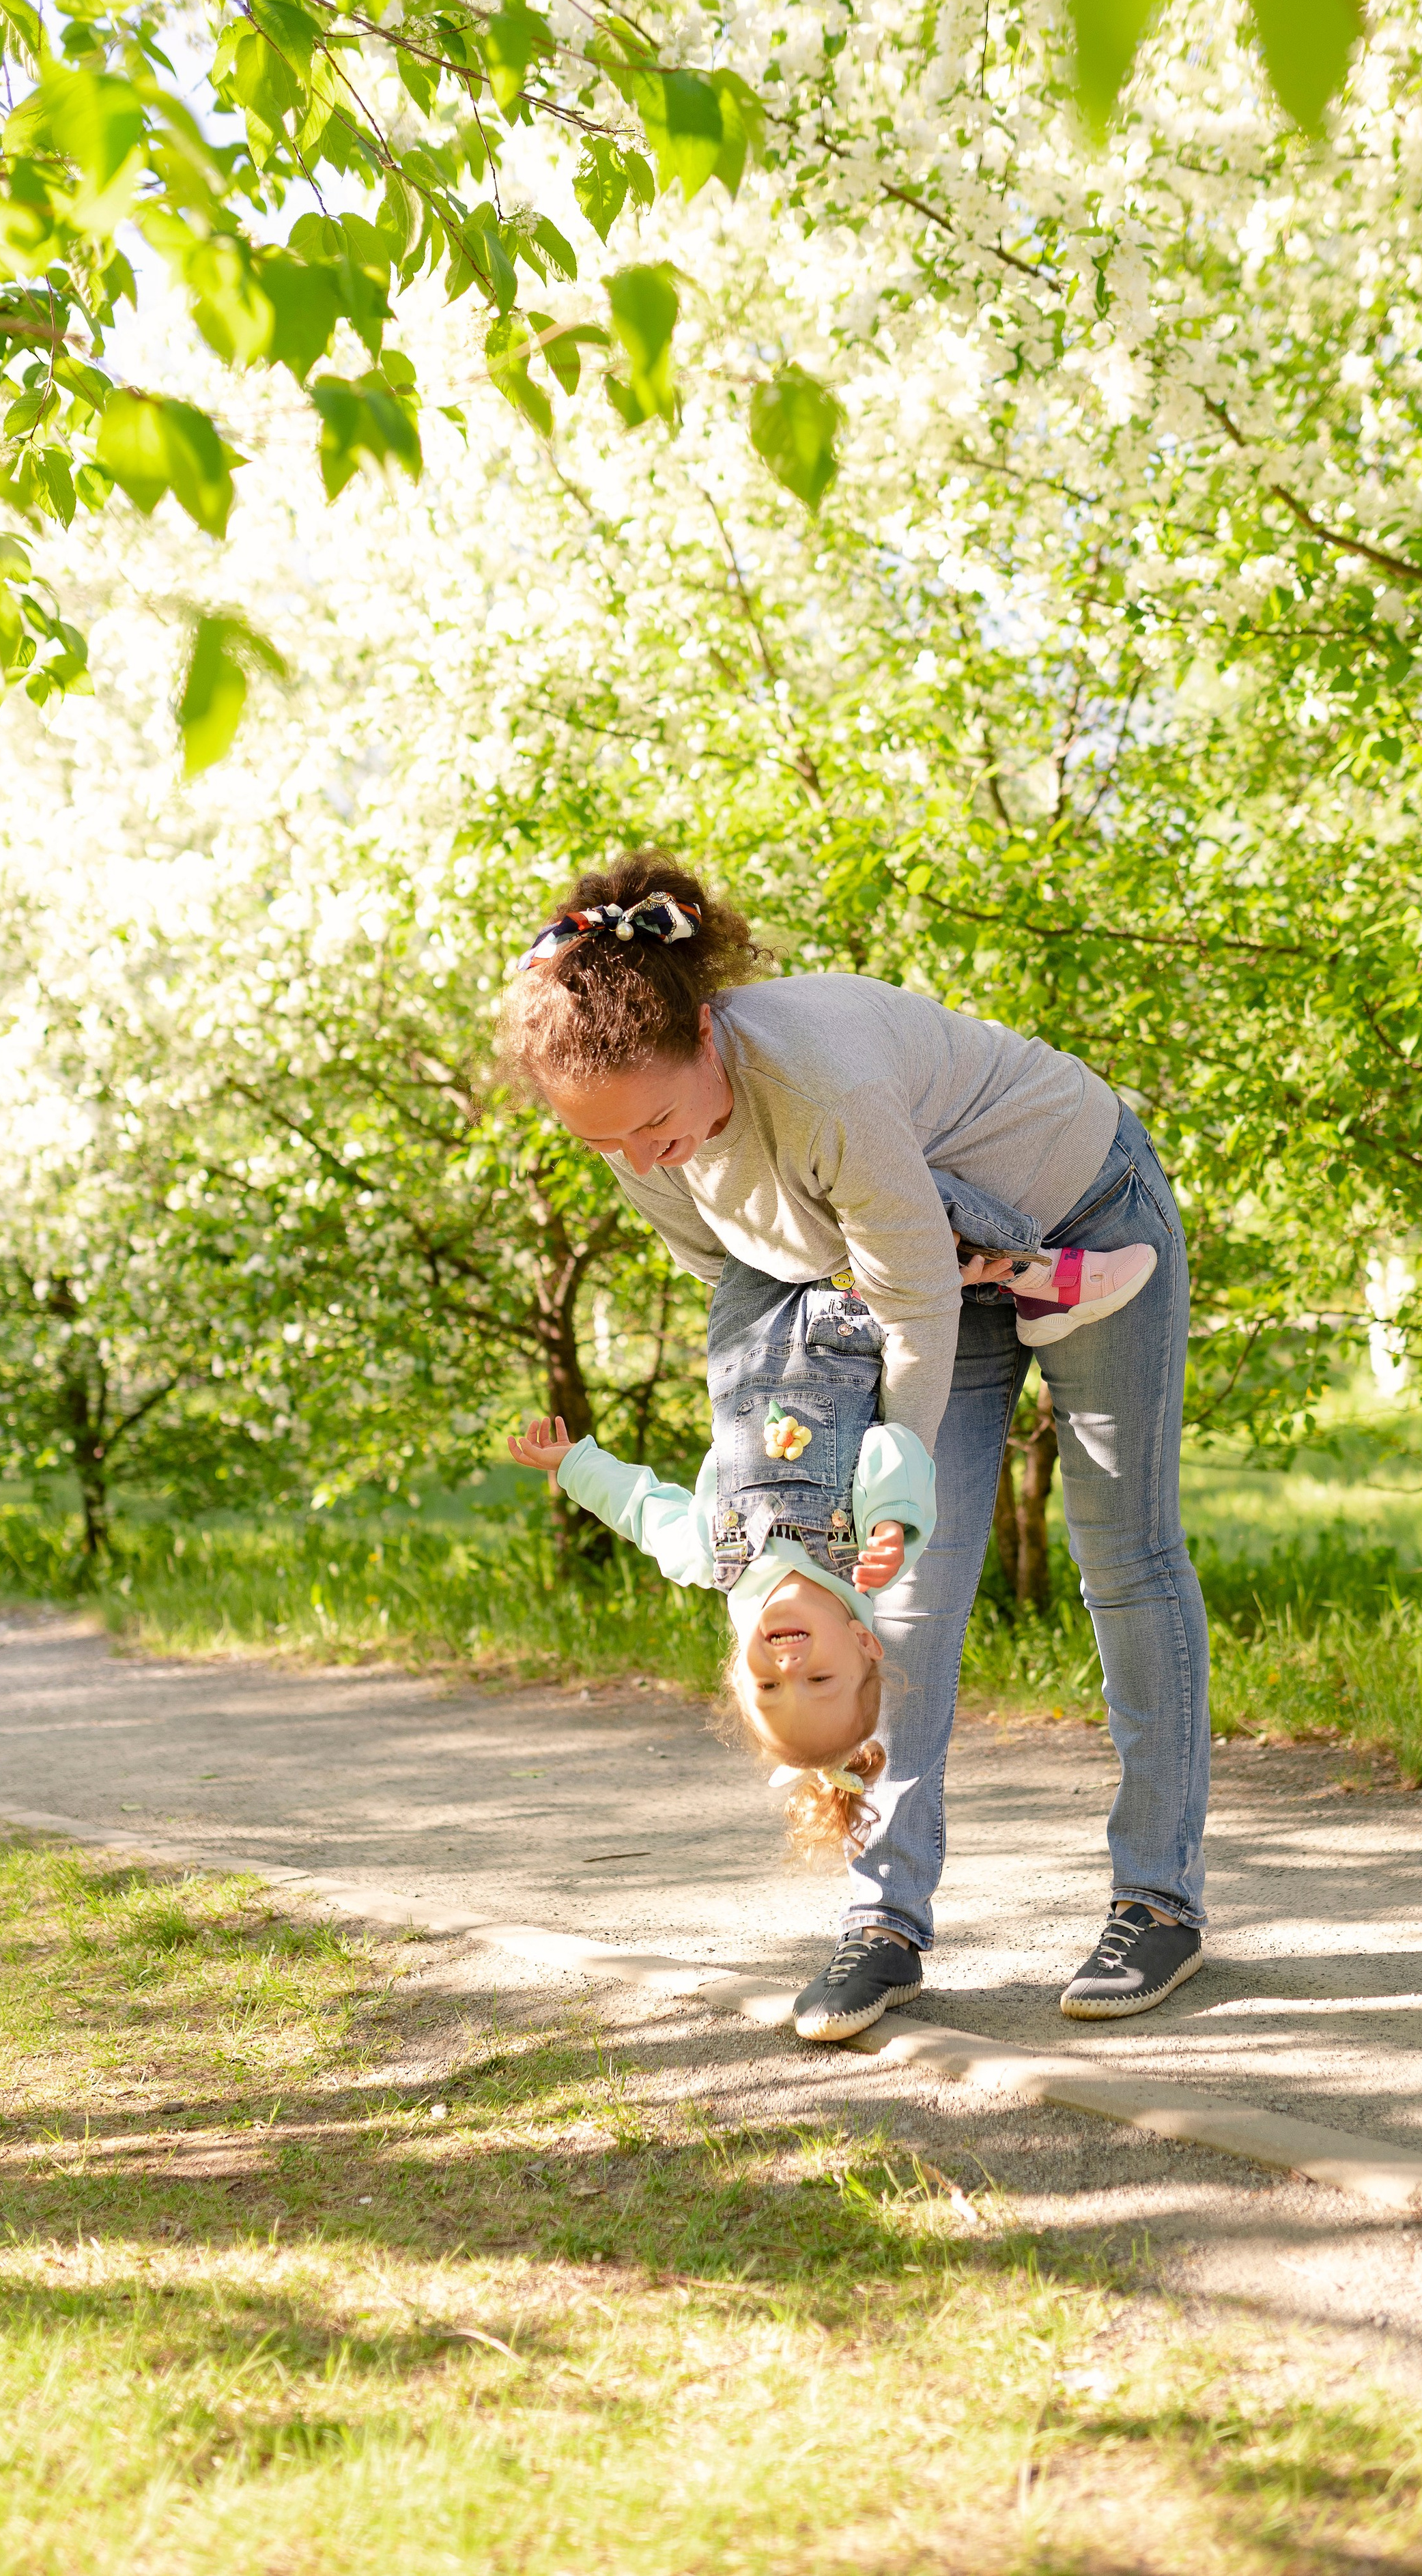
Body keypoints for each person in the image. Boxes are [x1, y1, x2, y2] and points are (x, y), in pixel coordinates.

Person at [496, 854, 1211, 2041]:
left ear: (707, 1033)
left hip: (1083, 1207)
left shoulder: (816, 1085)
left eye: (661, 1122)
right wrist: (801, 1486)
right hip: (918, 1269)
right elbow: (756, 1279)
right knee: (904, 1597)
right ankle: (883, 1923)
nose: (649, 1156)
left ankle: (1160, 1900)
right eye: (614, 1143)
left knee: (1123, 1561)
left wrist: (890, 1482)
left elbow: (913, 1304)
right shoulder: (639, 1139)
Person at [507, 1179, 1155, 2046]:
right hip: (851, 1321)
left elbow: (640, 1506)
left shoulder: (716, 1561)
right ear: (862, 1643)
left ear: (740, 1672)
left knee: (745, 1183)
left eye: (772, 1685)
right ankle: (1023, 1268)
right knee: (877, 1187)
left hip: (748, 1323)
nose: (788, 1662)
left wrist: (571, 1463)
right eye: (818, 1677)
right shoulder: (862, 1561)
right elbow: (895, 1444)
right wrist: (894, 1524)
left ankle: (990, 1271)